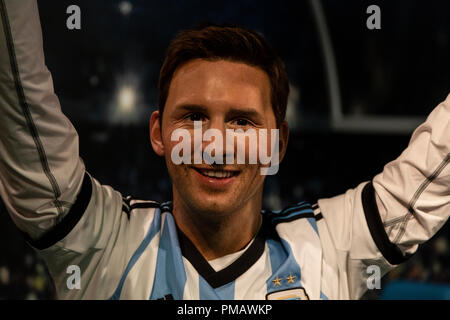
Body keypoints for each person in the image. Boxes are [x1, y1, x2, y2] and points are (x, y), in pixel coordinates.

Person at [0, 0, 448, 300]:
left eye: (242, 121)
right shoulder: (102, 244)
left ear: (278, 142)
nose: (214, 145)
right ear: (157, 133)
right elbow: (19, 100)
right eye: (193, 117)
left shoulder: (330, 247)